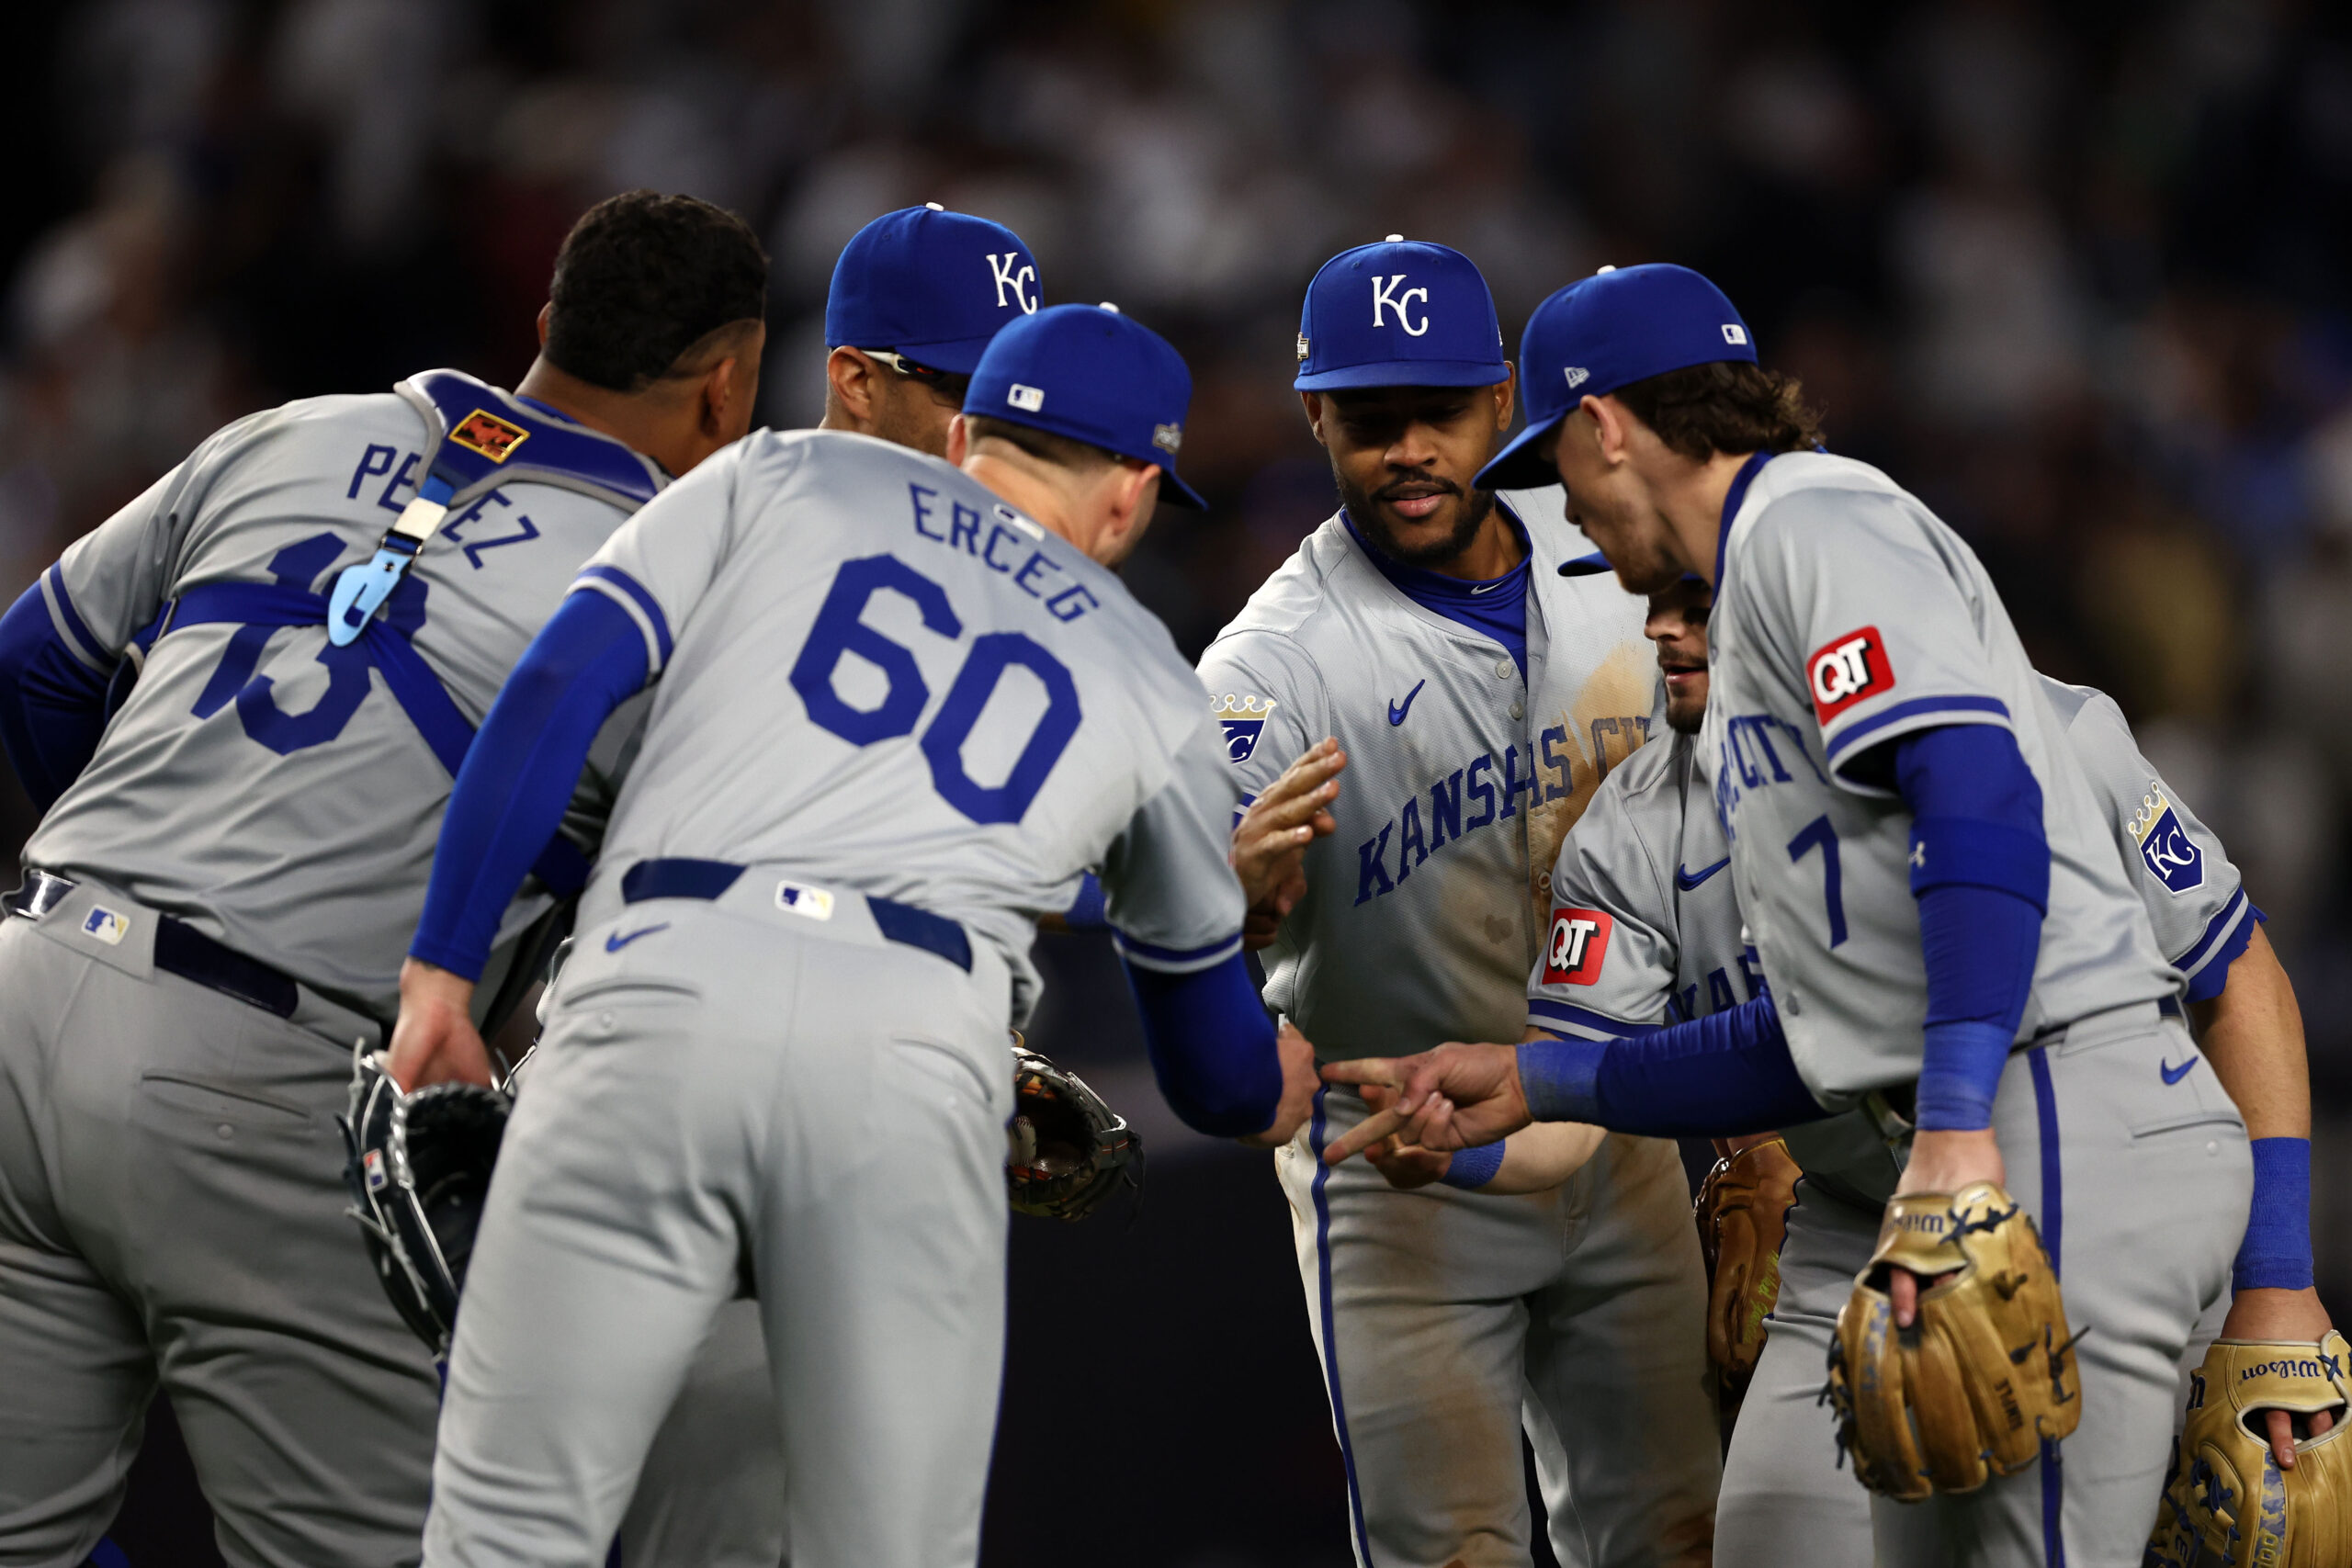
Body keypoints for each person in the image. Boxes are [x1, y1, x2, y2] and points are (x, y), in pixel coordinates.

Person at [1322, 262, 2257, 1565]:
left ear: (1604, 426)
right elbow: (1814, 1042)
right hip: (1995, 1118)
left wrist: (1947, 1132)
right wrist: (1540, 1078)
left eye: (1565, 469)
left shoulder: (1809, 523)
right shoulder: (1755, 632)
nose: (1575, 517)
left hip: (2057, 1111)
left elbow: (1975, 798)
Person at [385, 301, 1319, 1568]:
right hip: (911, 1048)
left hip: (658, 985)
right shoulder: (1151, 677)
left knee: (504, 1530)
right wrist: (1272, 1082)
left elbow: (558, 683)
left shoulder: (782, 470)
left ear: (970, 434)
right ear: (1135, 491)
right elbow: (1211, 1068)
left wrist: (441, 975)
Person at [0, 190, 766, 1568]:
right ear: (731, 384)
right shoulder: (674, 584)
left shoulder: (297, 428)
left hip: (29, 975)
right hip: (260, 1075)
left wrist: (154, 891)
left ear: (545, 325)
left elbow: (33, 662)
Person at [1362, 570, 2332, 1566]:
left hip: (2098, 1195)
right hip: (1860, 1228)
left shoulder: (2032, 727)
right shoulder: (1630, 833)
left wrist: (2276, 1286)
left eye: (1698, 600)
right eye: (1651, 597)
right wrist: (1451, 1146)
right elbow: (1567, 1094)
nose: (1661, 628)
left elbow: (2237, 979)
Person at [1197, 238, 1717, 1568]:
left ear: (1502, 399)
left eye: (1439, 411)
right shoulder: (1276, 658)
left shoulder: (1604, 540)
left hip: (1617, 1116)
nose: (1410, 448)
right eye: (1372, 420)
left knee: (1679, 1535)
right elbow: (1181, 872)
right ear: (1315, 416)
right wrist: (1225, 895)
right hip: (1402, 1167)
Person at [619, 196, 1044, 1568]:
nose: (1007, 426)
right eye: (968, 390)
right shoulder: (720, 530)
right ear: (854, 380)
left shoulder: (986, 575)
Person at [816, 203, 1040, 455]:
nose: (1008, 431)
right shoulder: (776, 492)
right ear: (857, 381)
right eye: (967, 391)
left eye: (1017, 396)